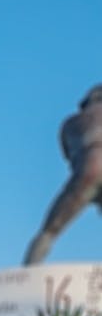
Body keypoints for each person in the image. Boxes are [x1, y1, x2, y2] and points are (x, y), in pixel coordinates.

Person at [23, 84, 102, 265]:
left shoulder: (70, 123)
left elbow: (70, 157)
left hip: (87, 171)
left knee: (50, 230)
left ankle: (31, 266)